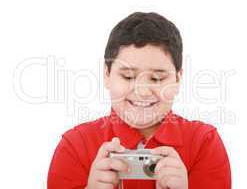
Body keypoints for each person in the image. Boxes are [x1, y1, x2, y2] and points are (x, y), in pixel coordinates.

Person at [47, 12, 231, 189]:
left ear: (177, 79)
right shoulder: (75, 145)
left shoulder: (204, 143)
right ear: (107, 75)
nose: (142, 91)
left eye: (157, 78)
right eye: (128, 76)